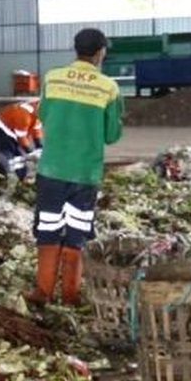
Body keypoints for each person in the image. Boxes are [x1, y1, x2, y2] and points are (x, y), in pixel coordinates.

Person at [27, 28, 124, 308]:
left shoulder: (53, 78)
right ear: (101, 52)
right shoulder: (108, 88)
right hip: (85, 175)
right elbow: (111, 135)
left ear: (76, 49)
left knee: (48, 230)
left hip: (51, 172)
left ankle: (42, 293)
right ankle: (70, 297)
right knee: (76, 234)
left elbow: (43, 114)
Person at [0, 98, 43, 180]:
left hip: (13, 129)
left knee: (13, 157)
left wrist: (39, 147)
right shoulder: (24, 116)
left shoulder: (37, 113)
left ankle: (1, 177)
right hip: (1, 131)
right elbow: (21, 138)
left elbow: (37, 130)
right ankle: (14, 177)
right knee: (10, 158)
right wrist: (31, 153)